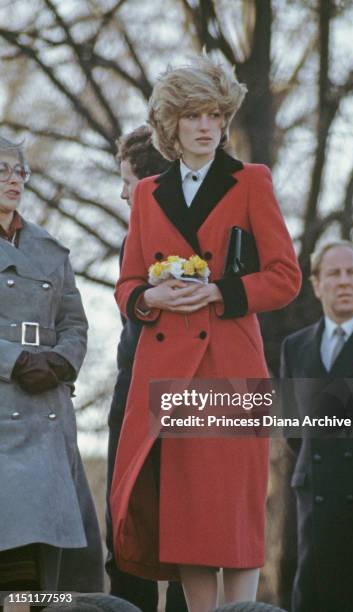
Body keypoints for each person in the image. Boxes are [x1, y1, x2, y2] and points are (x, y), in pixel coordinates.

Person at [111, 56, 301, 612]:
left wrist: (220, 290)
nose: (206, 126)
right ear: (172, 125)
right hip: (168, 374)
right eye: (193, 114)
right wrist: (150, 298)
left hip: (231, 369)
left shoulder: (251, 181)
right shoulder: (146, 194)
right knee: (189, 518)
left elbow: (286, 278)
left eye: (215, 114)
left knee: (235, 517)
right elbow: (125, 284)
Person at [0, 135, 103, 599]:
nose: (12, 180)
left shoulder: (50, 248)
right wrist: (14, 360)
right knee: (12, 539)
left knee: (51, 553)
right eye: (1, 170)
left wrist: (61, 360)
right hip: (4, 401)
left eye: (18, 171)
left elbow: (75, 322)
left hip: (49, 403)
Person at [280, 240, 353, 612]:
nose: (344, 281)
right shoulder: (294, 346)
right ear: (316, 284)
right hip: (317, 514)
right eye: (334, 273)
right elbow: (294, 431)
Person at [106, 125, 187, 612]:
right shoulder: (129, 243)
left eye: (127, 180)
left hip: (177, 401)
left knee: (184, 532)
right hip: (130, 401)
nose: (120, 192)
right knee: (123, 528)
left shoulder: (191, 246)